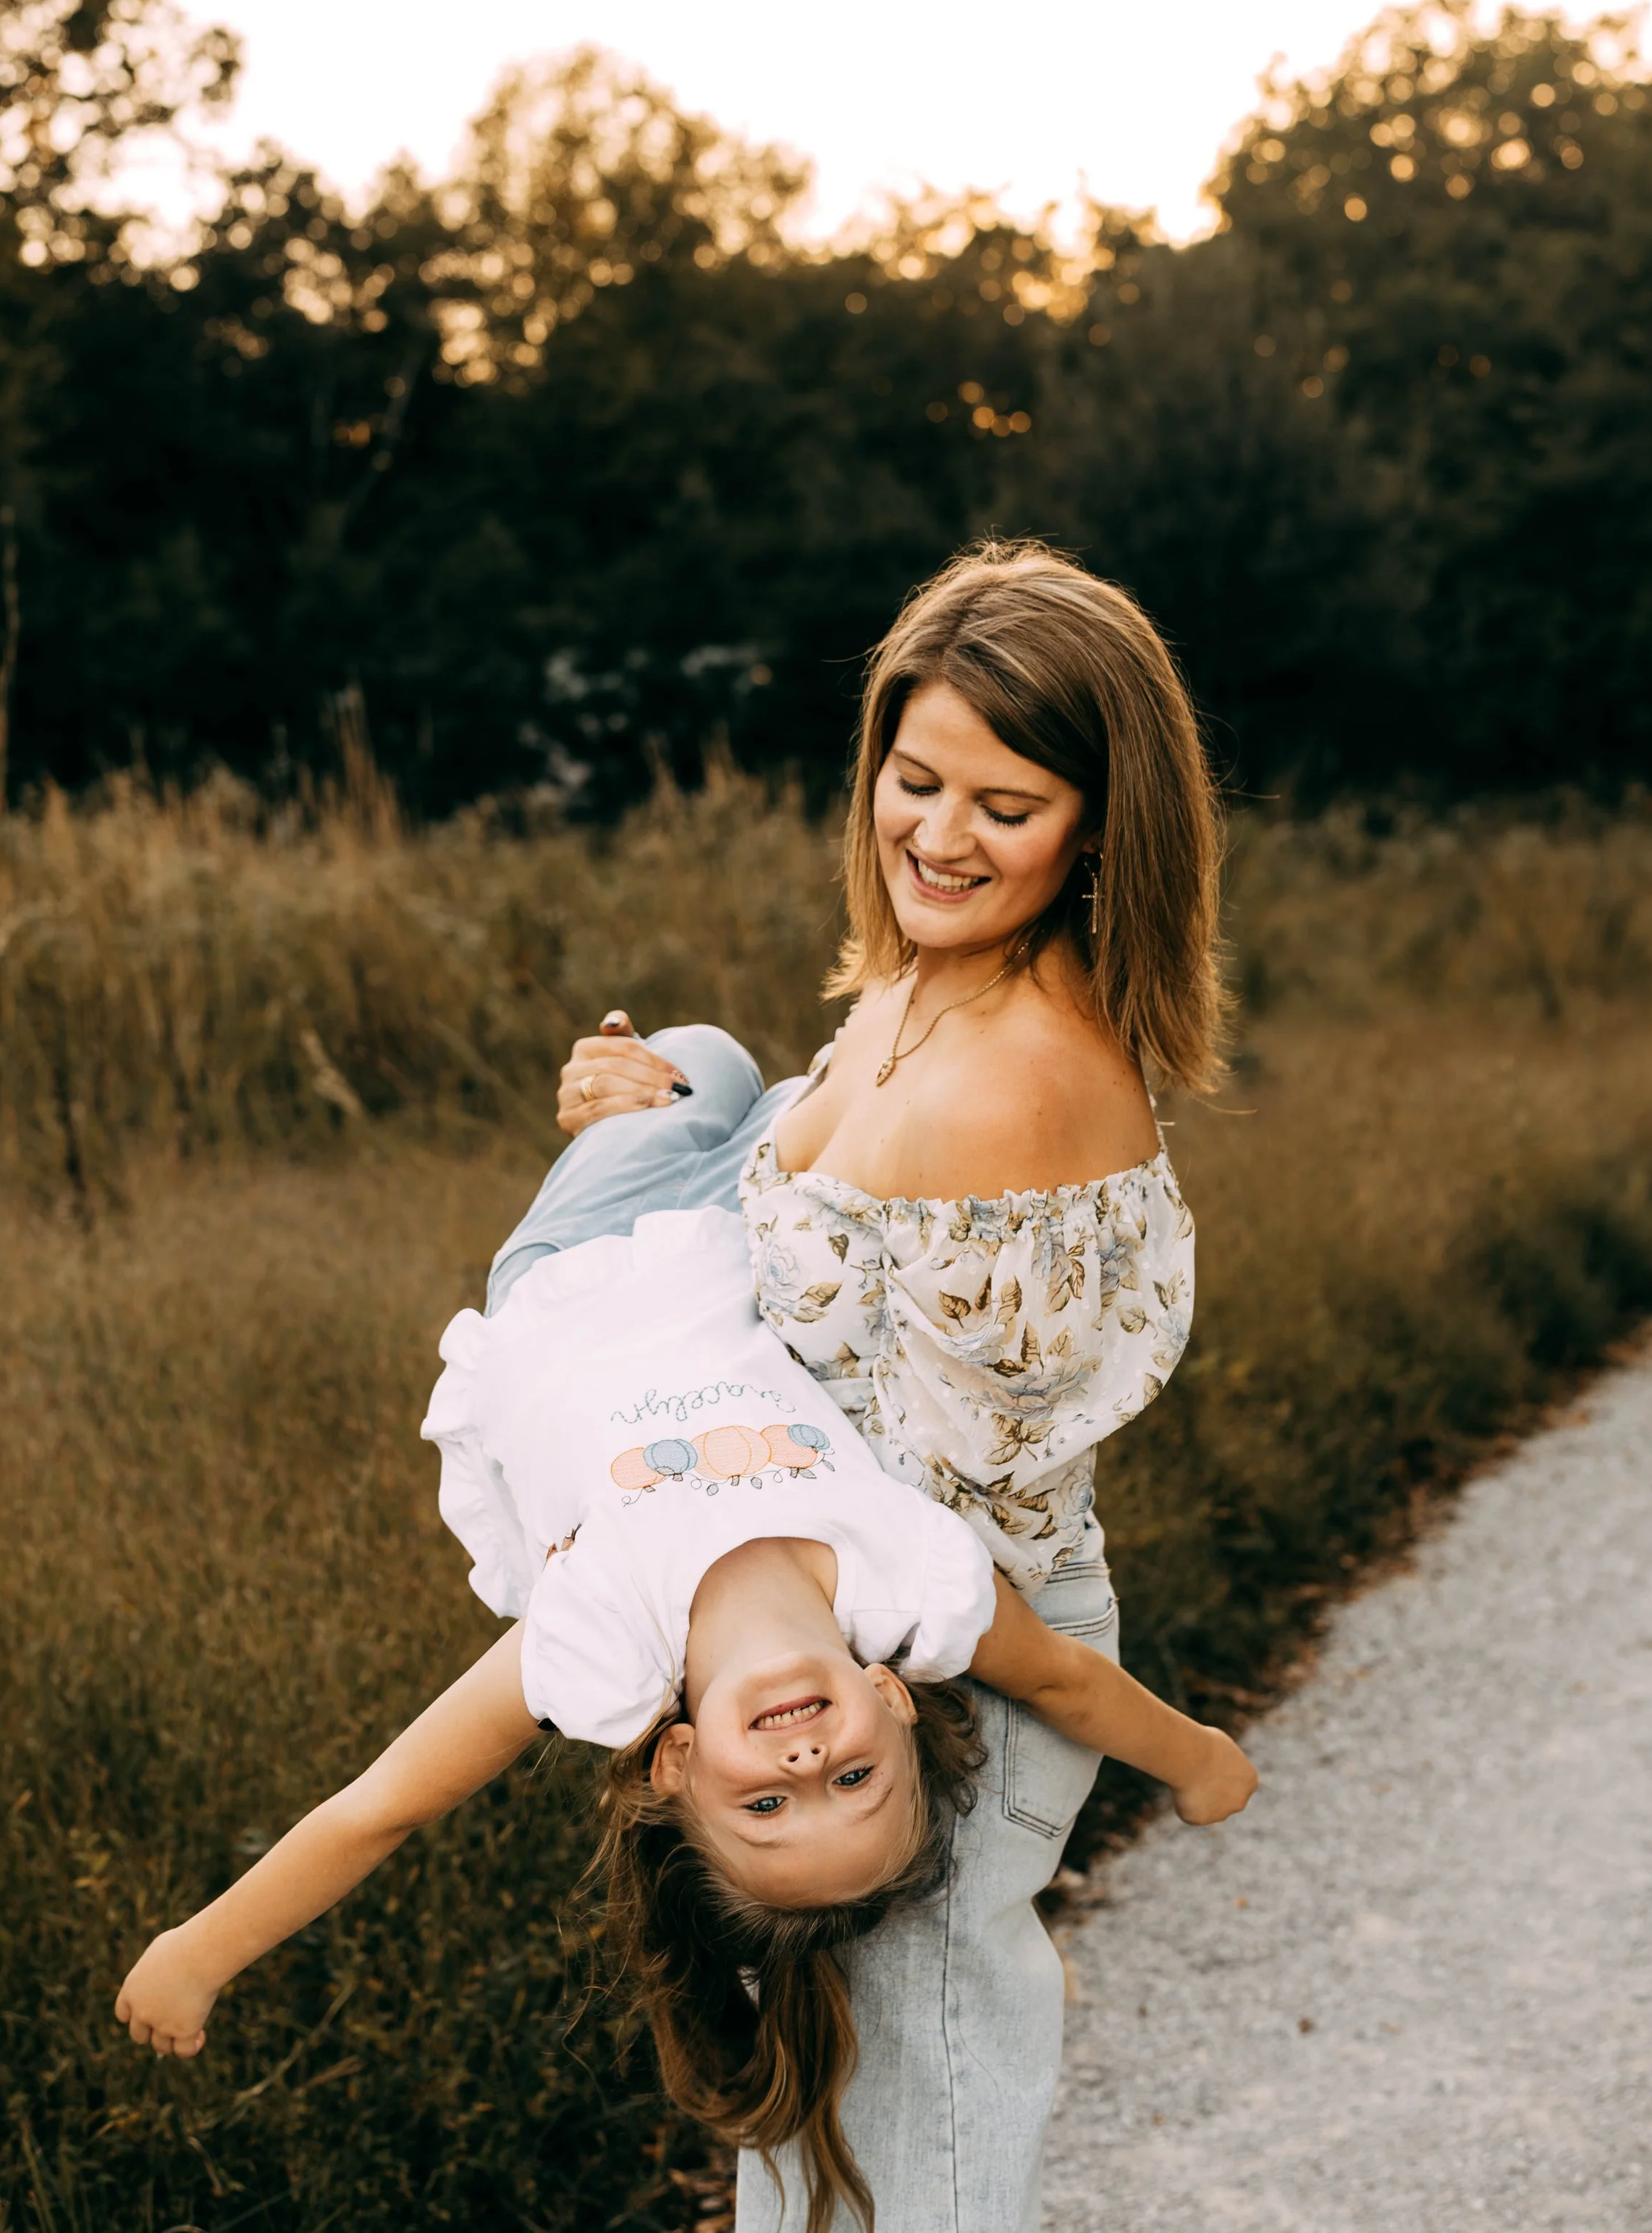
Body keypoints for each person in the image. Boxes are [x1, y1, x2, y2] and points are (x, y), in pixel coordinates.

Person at [486, 540, 1234, 2228]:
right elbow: (786, 1218)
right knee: (825, 2147)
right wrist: (673, 1101)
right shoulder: (918, 988)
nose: (939, 836)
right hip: (848, 1627)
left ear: (1100, 823)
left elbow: (920, 1483)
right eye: (914, 780)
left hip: (946, 1663)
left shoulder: (1018, 1085)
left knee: (927, 2143)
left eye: (1005, 803)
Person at [113, 1207, 1255, 2233]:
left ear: (676, 1760)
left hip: (575, 1248)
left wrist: (202, 1950)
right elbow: (1062, 1678)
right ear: (894, 1701)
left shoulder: (603, 1642)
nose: (808, 1760)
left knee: (673, 1063)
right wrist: (1194, 1760)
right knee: (728, 1066)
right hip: (733, 1212)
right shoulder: (913, 1586)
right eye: (853, 1780)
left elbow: (384, 1804)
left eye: (768, 1803)